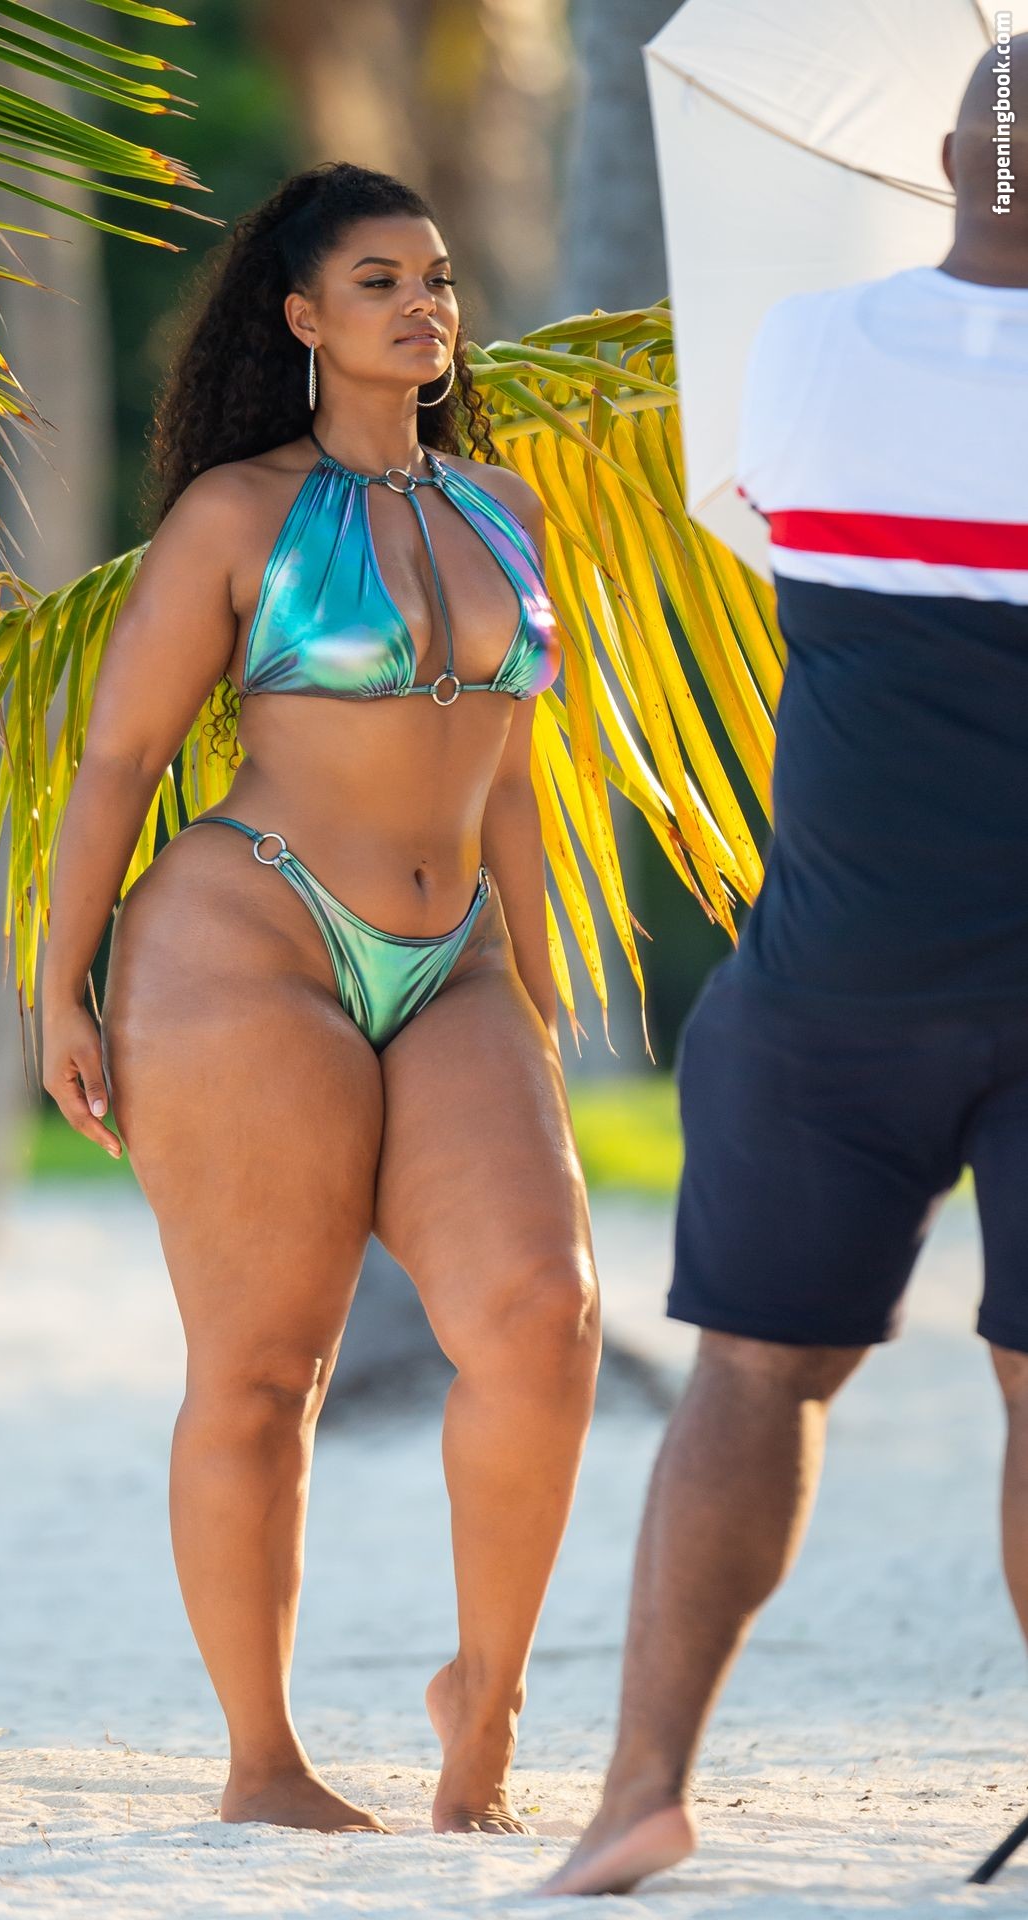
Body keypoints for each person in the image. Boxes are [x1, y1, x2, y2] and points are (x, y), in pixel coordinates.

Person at [39, 163, 602, 1838]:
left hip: (454, 960)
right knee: (263, 1367)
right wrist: (61, 987)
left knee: (542, 1315)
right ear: (300, 317)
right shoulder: (236, 516)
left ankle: (483, 1696)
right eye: (379, 282)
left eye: (436, 280)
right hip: (248, 941)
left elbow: (510, 773)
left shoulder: (504, 505)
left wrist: (536, 973)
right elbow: (120, 758)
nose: (423, 307)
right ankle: (264, 1762)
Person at [545, 34, 1028, 1898]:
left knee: (752, 1374)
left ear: (942, 156)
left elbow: (773, 529)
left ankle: (638, 1797)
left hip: (835, 973)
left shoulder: (804, 350)